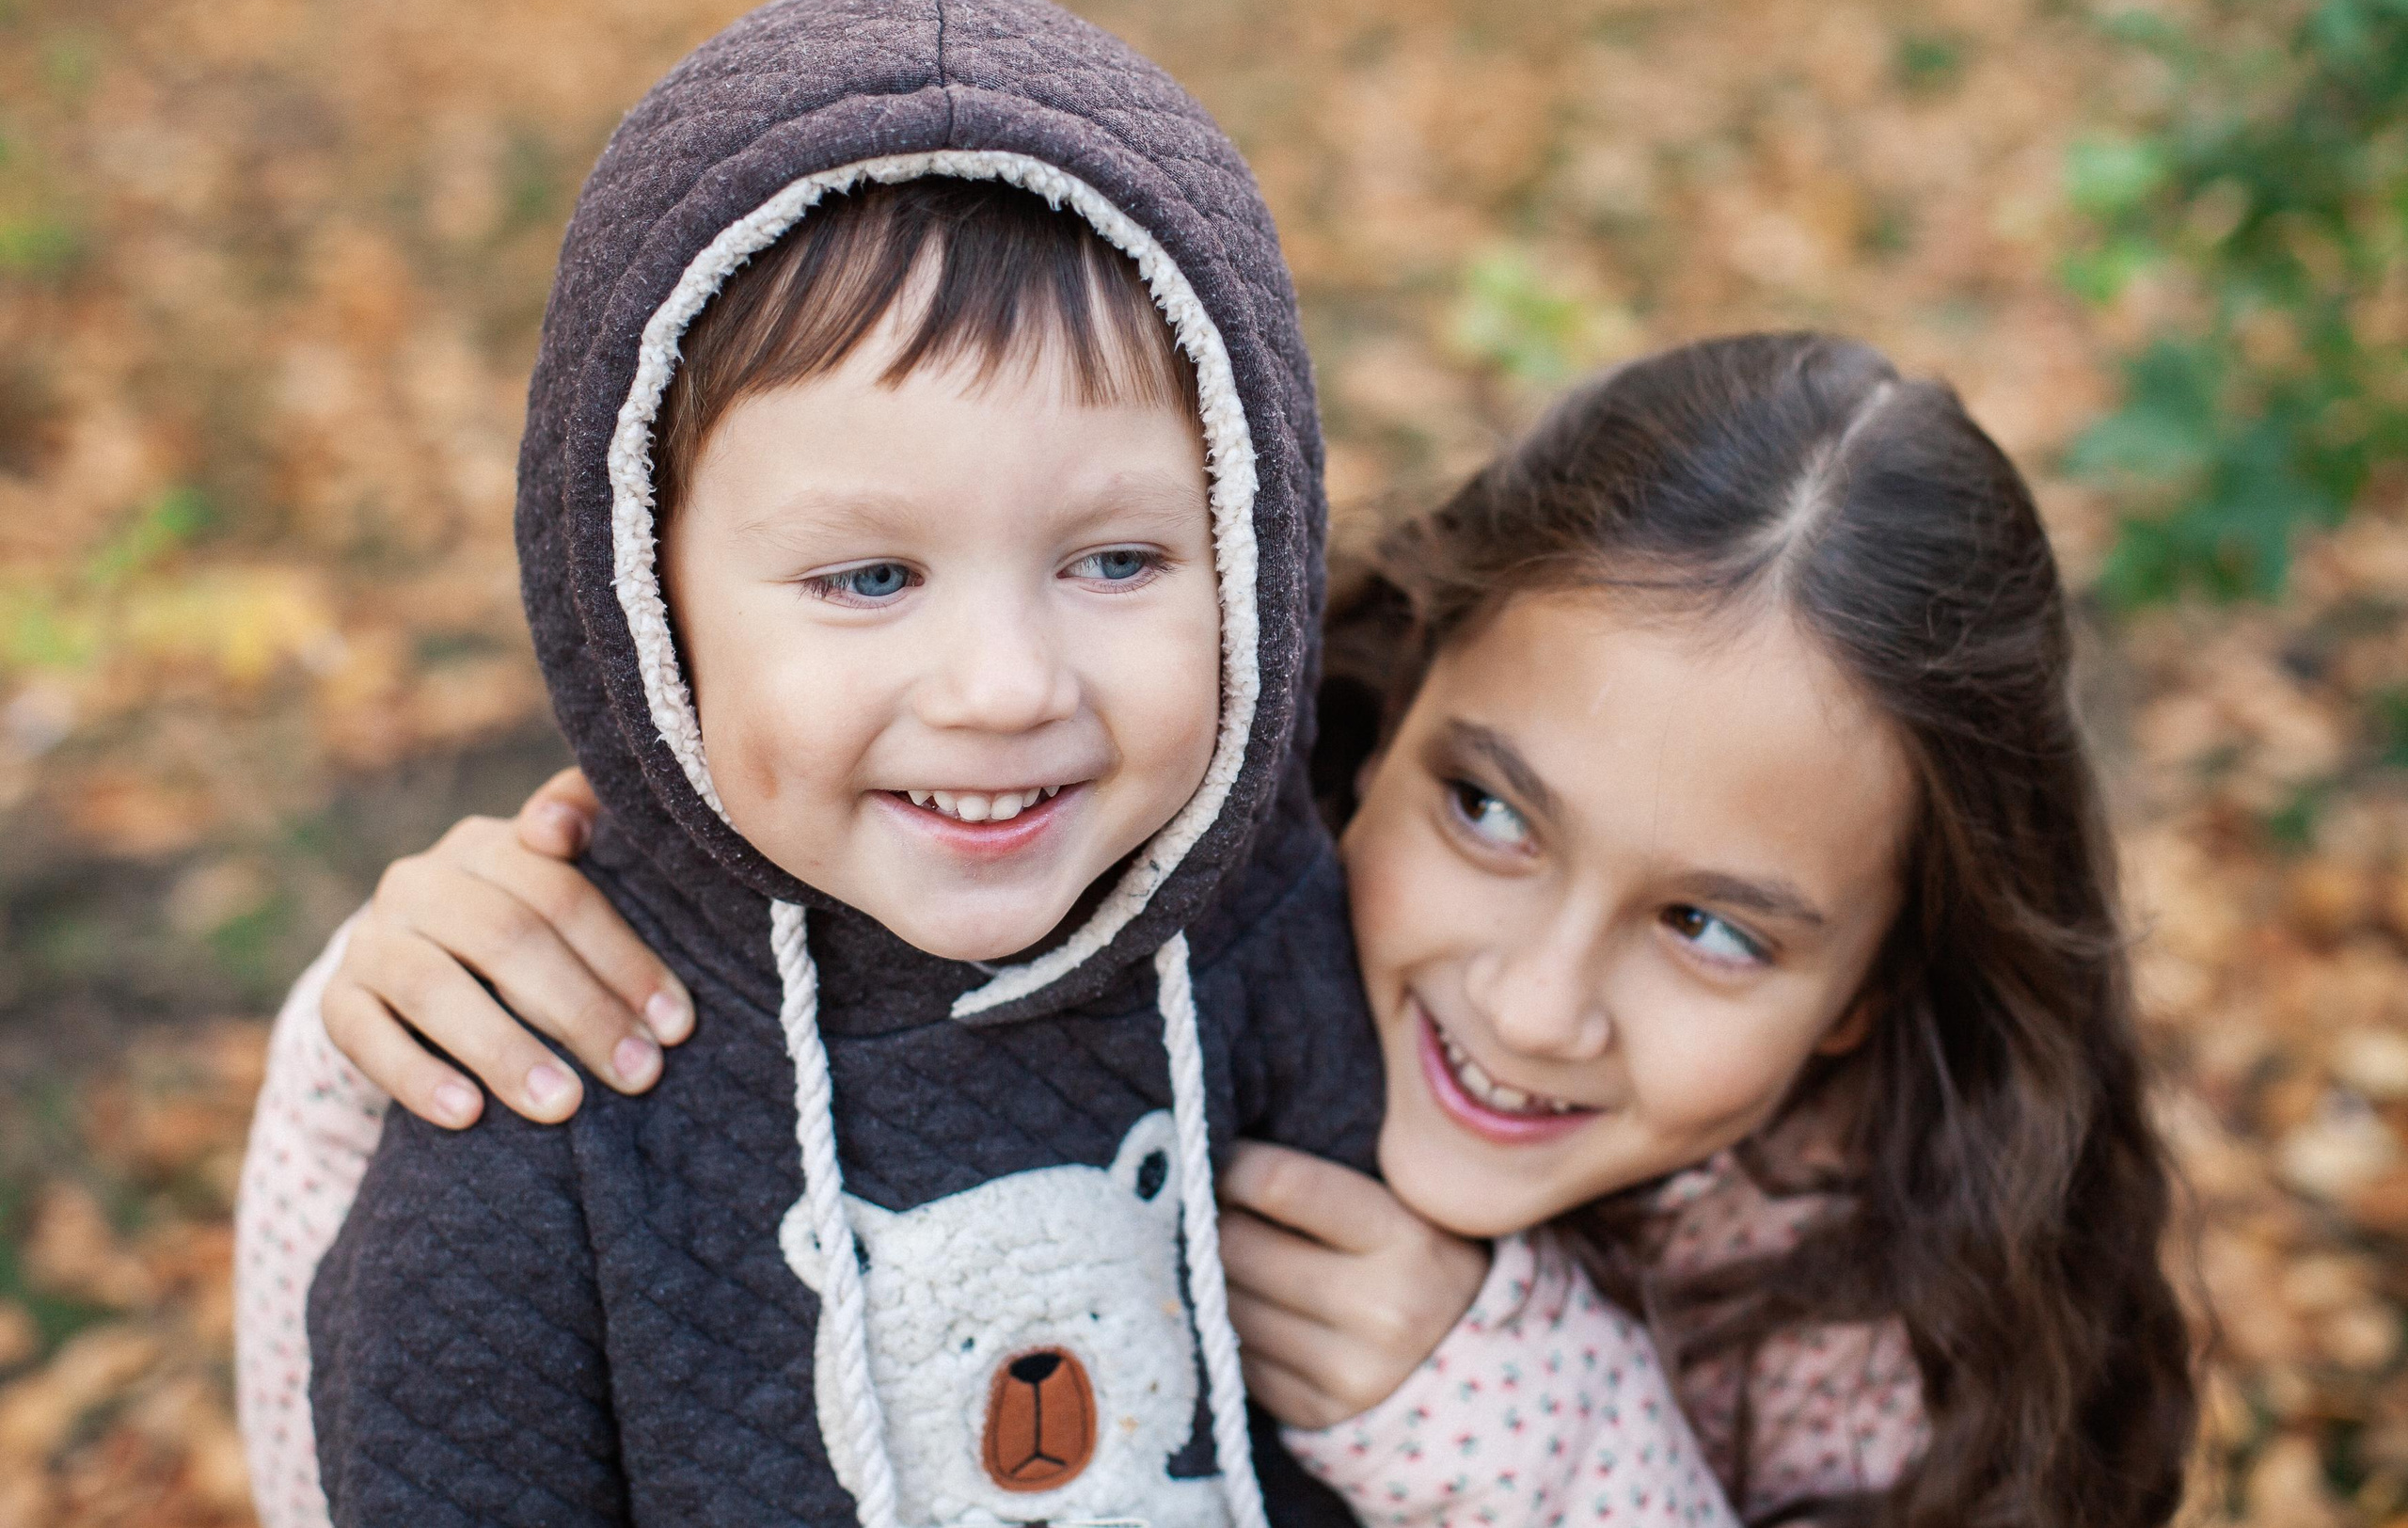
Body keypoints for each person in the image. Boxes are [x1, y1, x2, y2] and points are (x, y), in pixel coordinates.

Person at [237, 0, 1734, 1528]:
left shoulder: (1311, 957)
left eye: (1116, 561)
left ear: (1249, 544)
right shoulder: (547, 1080)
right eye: (869, 577)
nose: (1007, 685)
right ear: (644, 597)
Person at [267, 331, 2201, 1526]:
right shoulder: (1148, 925)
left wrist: (1520, 1431)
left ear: (1870, 990)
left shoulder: (1892, 1305)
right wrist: (390, 1018)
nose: (1532, 1005)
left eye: (1708, 927)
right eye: (1486, 807)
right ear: (1394, 691)